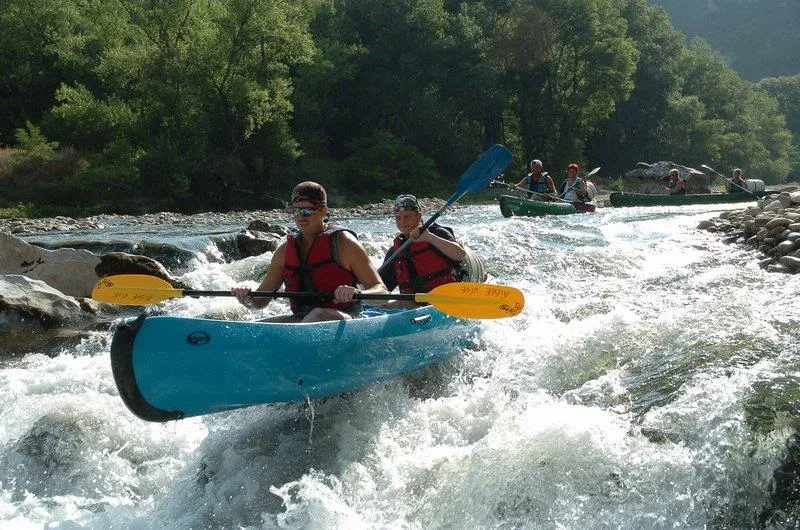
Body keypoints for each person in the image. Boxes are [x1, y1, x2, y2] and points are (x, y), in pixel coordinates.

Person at [232, 181, 388, 322]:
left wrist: (357, 293)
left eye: (307, 211)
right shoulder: (283, 252)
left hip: (348, 318)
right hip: (302, 320)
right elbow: (260, 302)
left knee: (318, 314)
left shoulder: (344, 243)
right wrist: (246, 297)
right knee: (259, 326)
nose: (301, 217)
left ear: (323, 211)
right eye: (296, 211)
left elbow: (382, 292)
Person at [379, 194, 466, 307]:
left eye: (407, 217)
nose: (402, 222)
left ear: (418, 216)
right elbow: (381, 286)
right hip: (414, 304)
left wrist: (429, 238)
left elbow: (460, 255)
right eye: (398, 218)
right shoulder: (395, 251)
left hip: (447, 298)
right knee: (382, 307)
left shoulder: (437, 233)